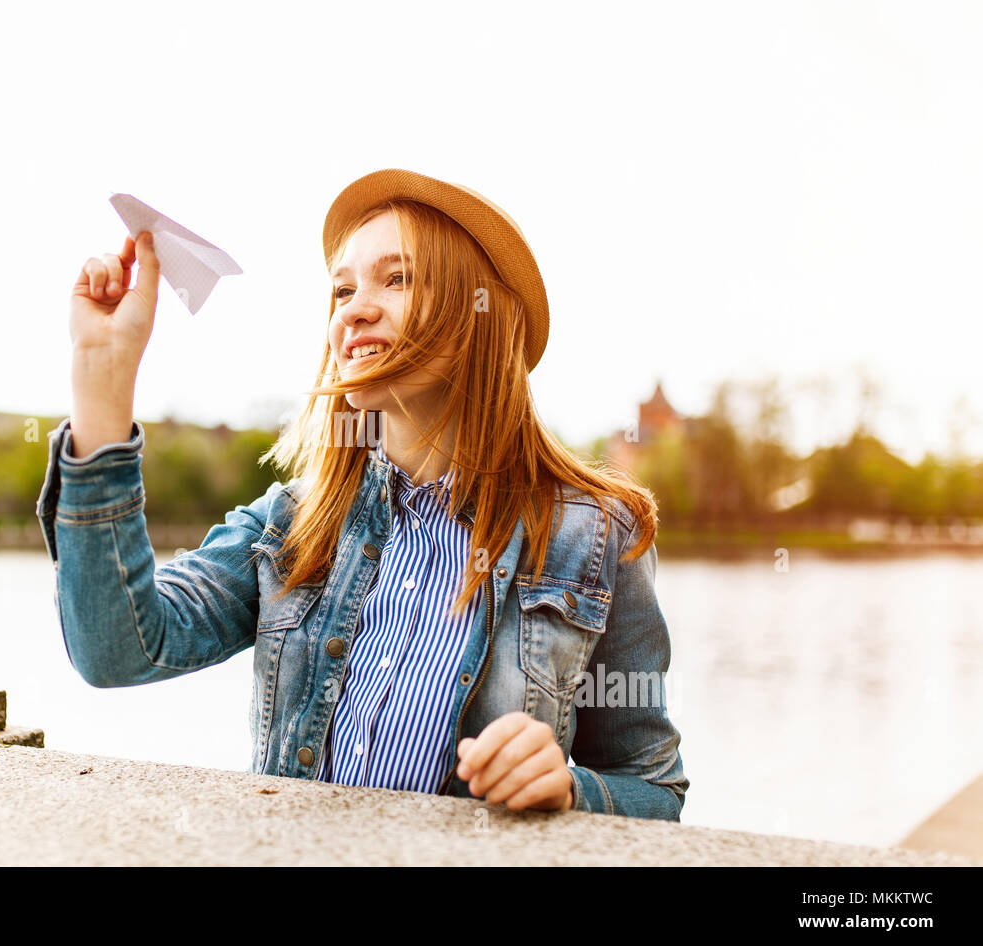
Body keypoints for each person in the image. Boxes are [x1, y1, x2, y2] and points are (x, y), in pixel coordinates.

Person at [36, 168, 689, 820]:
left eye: (397, 278)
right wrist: (102, 378)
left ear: (481, 312)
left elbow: (653, 789)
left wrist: (569, 790)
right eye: (342, 289)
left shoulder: (598, 536)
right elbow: (116, 648)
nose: (353, 307)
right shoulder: (291, 523)